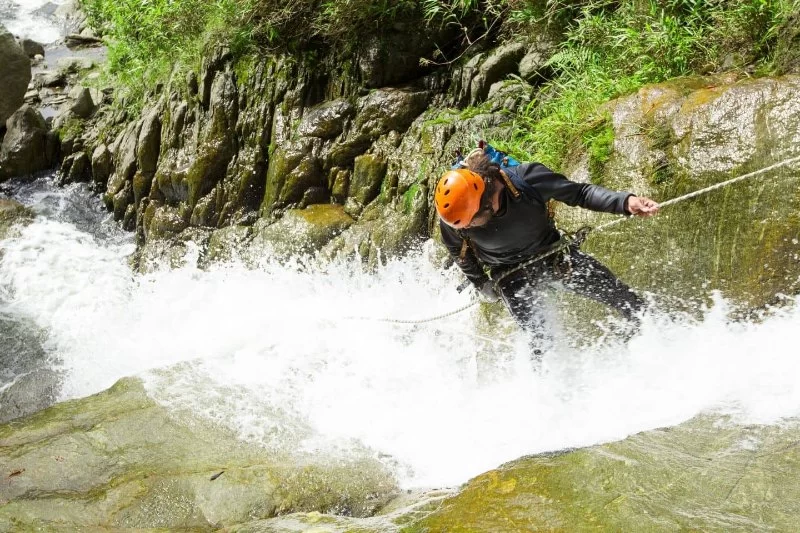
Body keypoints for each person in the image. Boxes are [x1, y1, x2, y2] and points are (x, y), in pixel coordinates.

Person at [435, 146, 659, 356]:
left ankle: (657, 340)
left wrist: (625, 202)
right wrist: (482, 284)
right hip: (508, 275)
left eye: (471, 222)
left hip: (553, 255)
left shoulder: (527, 180)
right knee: (541, 343)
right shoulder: (455, 219)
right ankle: (547, 381)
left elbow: (580, 193)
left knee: (625, 299)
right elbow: (458, 252)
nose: (467, 227)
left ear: (486, 202)